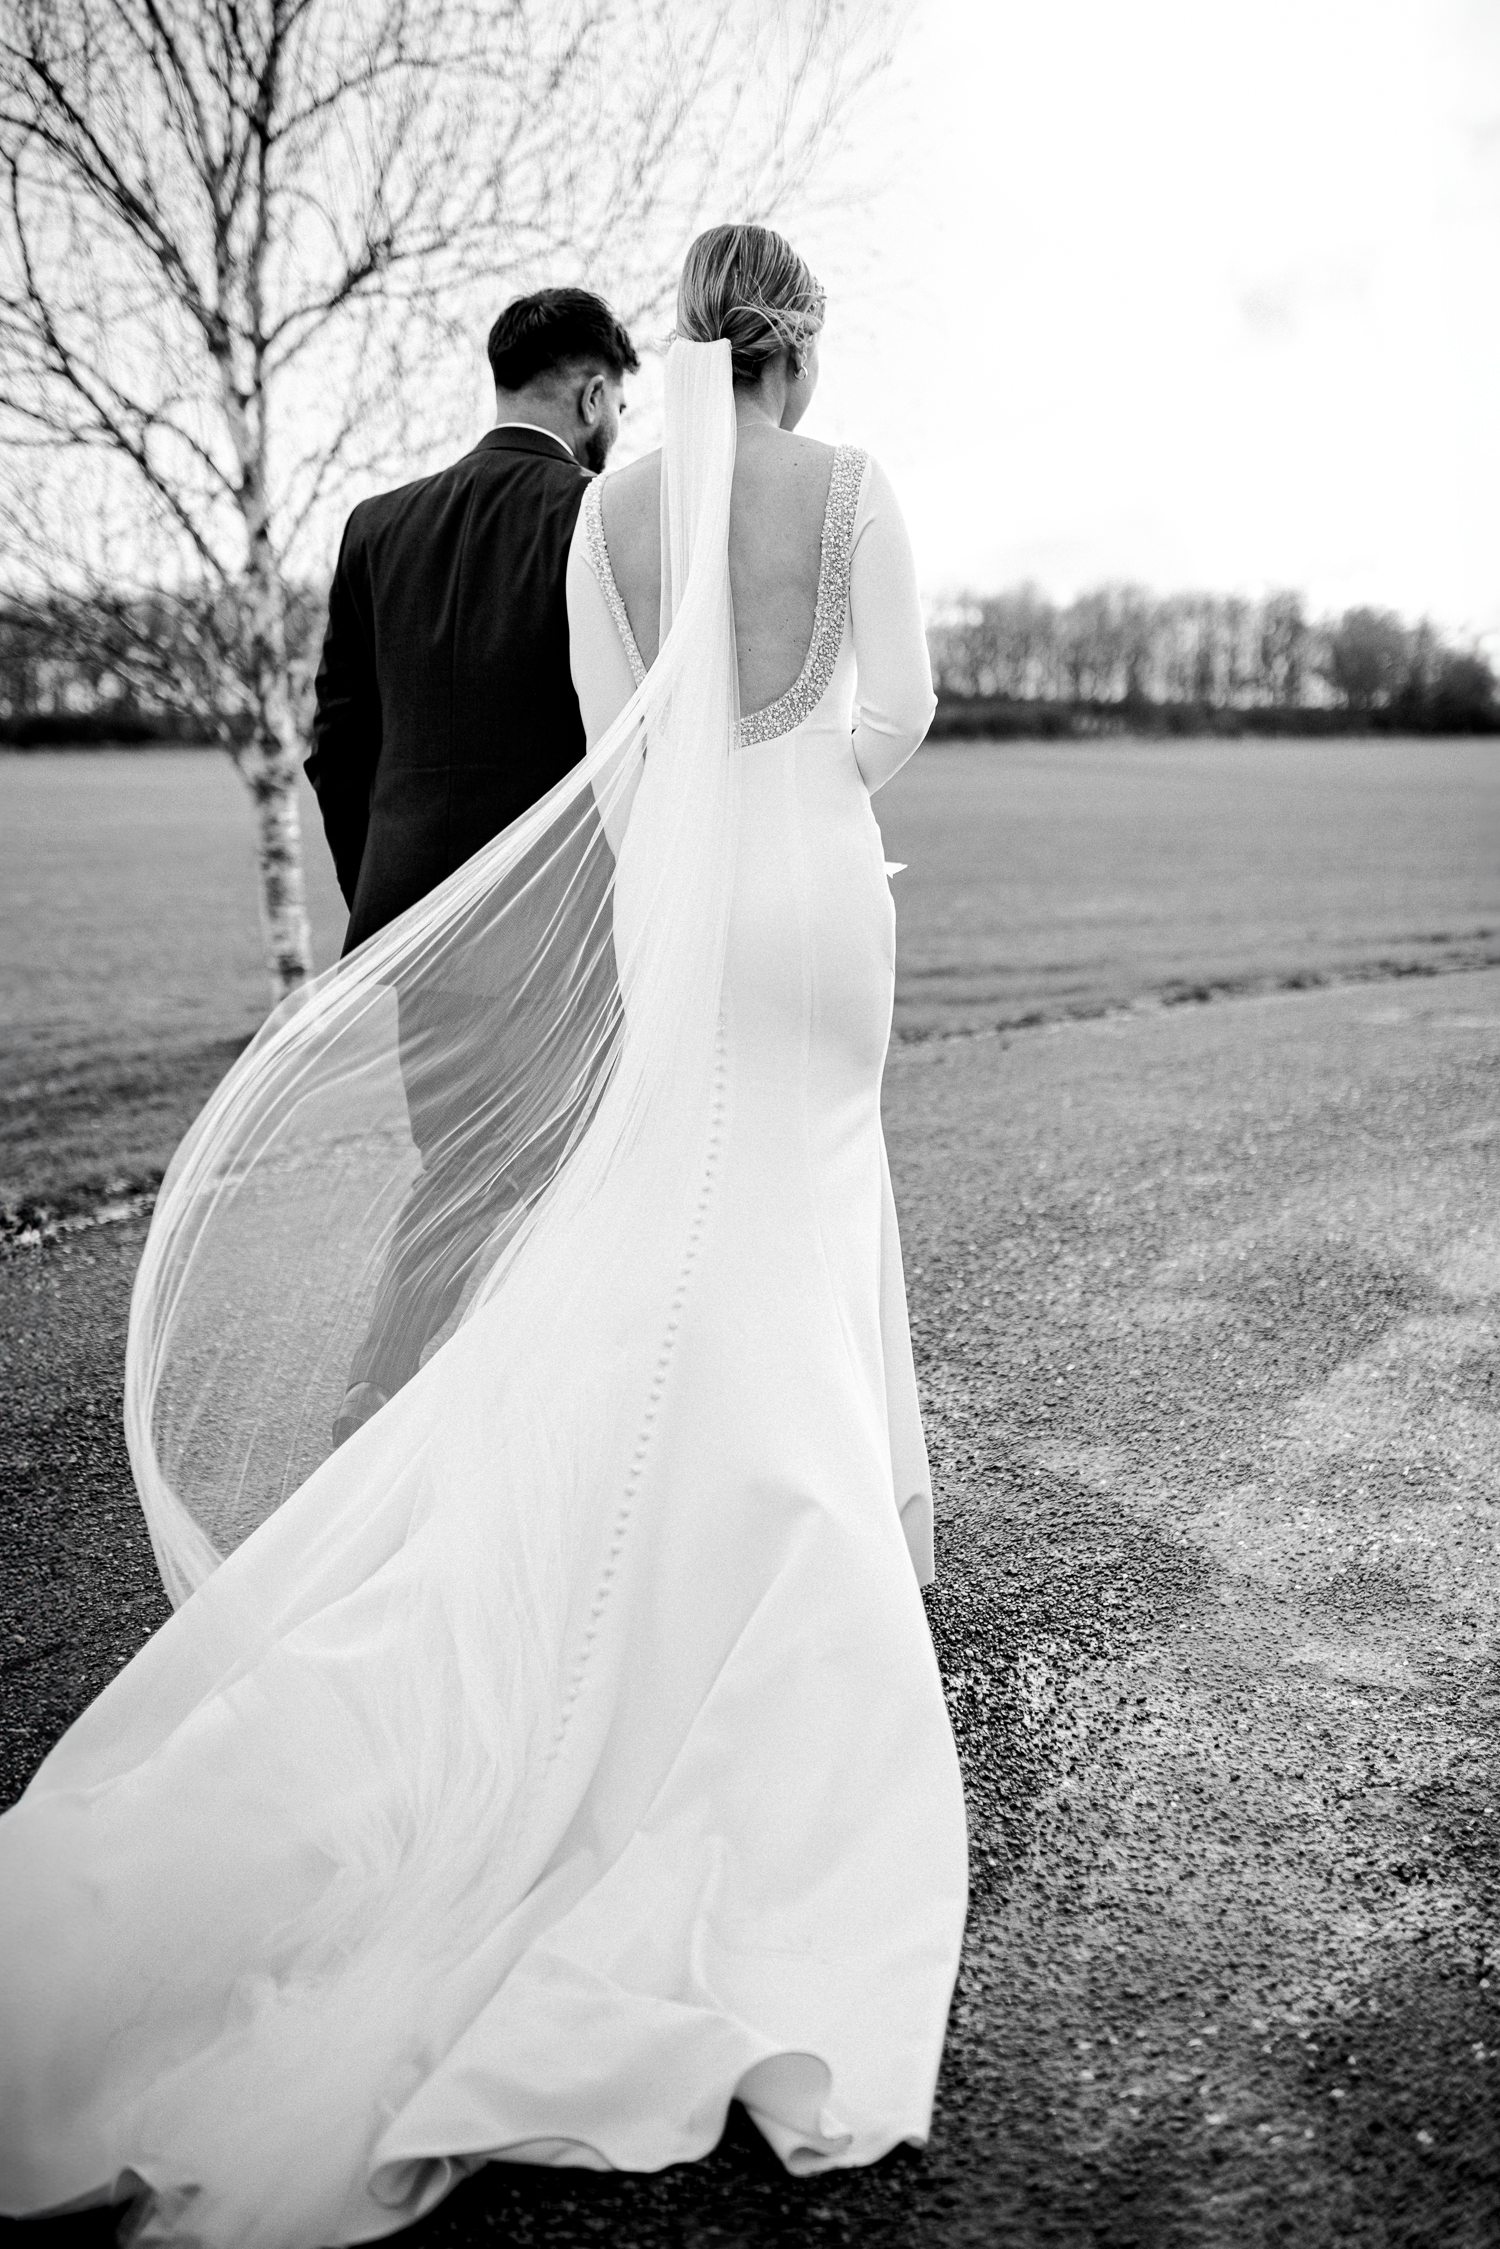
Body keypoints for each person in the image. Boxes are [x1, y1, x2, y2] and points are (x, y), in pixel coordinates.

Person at [0, 224, 968, 2248]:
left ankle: (673, 1505)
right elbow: (905, 715)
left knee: (669, 1207)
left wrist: (690, 836)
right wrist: (804, 791)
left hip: (671, 904)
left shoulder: (611, 507)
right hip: (818, 899)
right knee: (807, 1186)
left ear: (677, 345)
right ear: (807, 343)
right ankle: (826, 1502)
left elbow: (622, 759)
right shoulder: (857, 484)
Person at [306, 288, 640, 1439]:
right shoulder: (597, 523)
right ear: (592, 393)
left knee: (459, 1168)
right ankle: (410, 1406)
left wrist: (399, 901)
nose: (619, 427)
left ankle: (439, 1405)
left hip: (424, 933)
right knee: (537, 1180)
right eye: (619, 405)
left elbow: (335, 750)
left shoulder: (376, 526)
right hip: (558, 933)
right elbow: (627, 738)